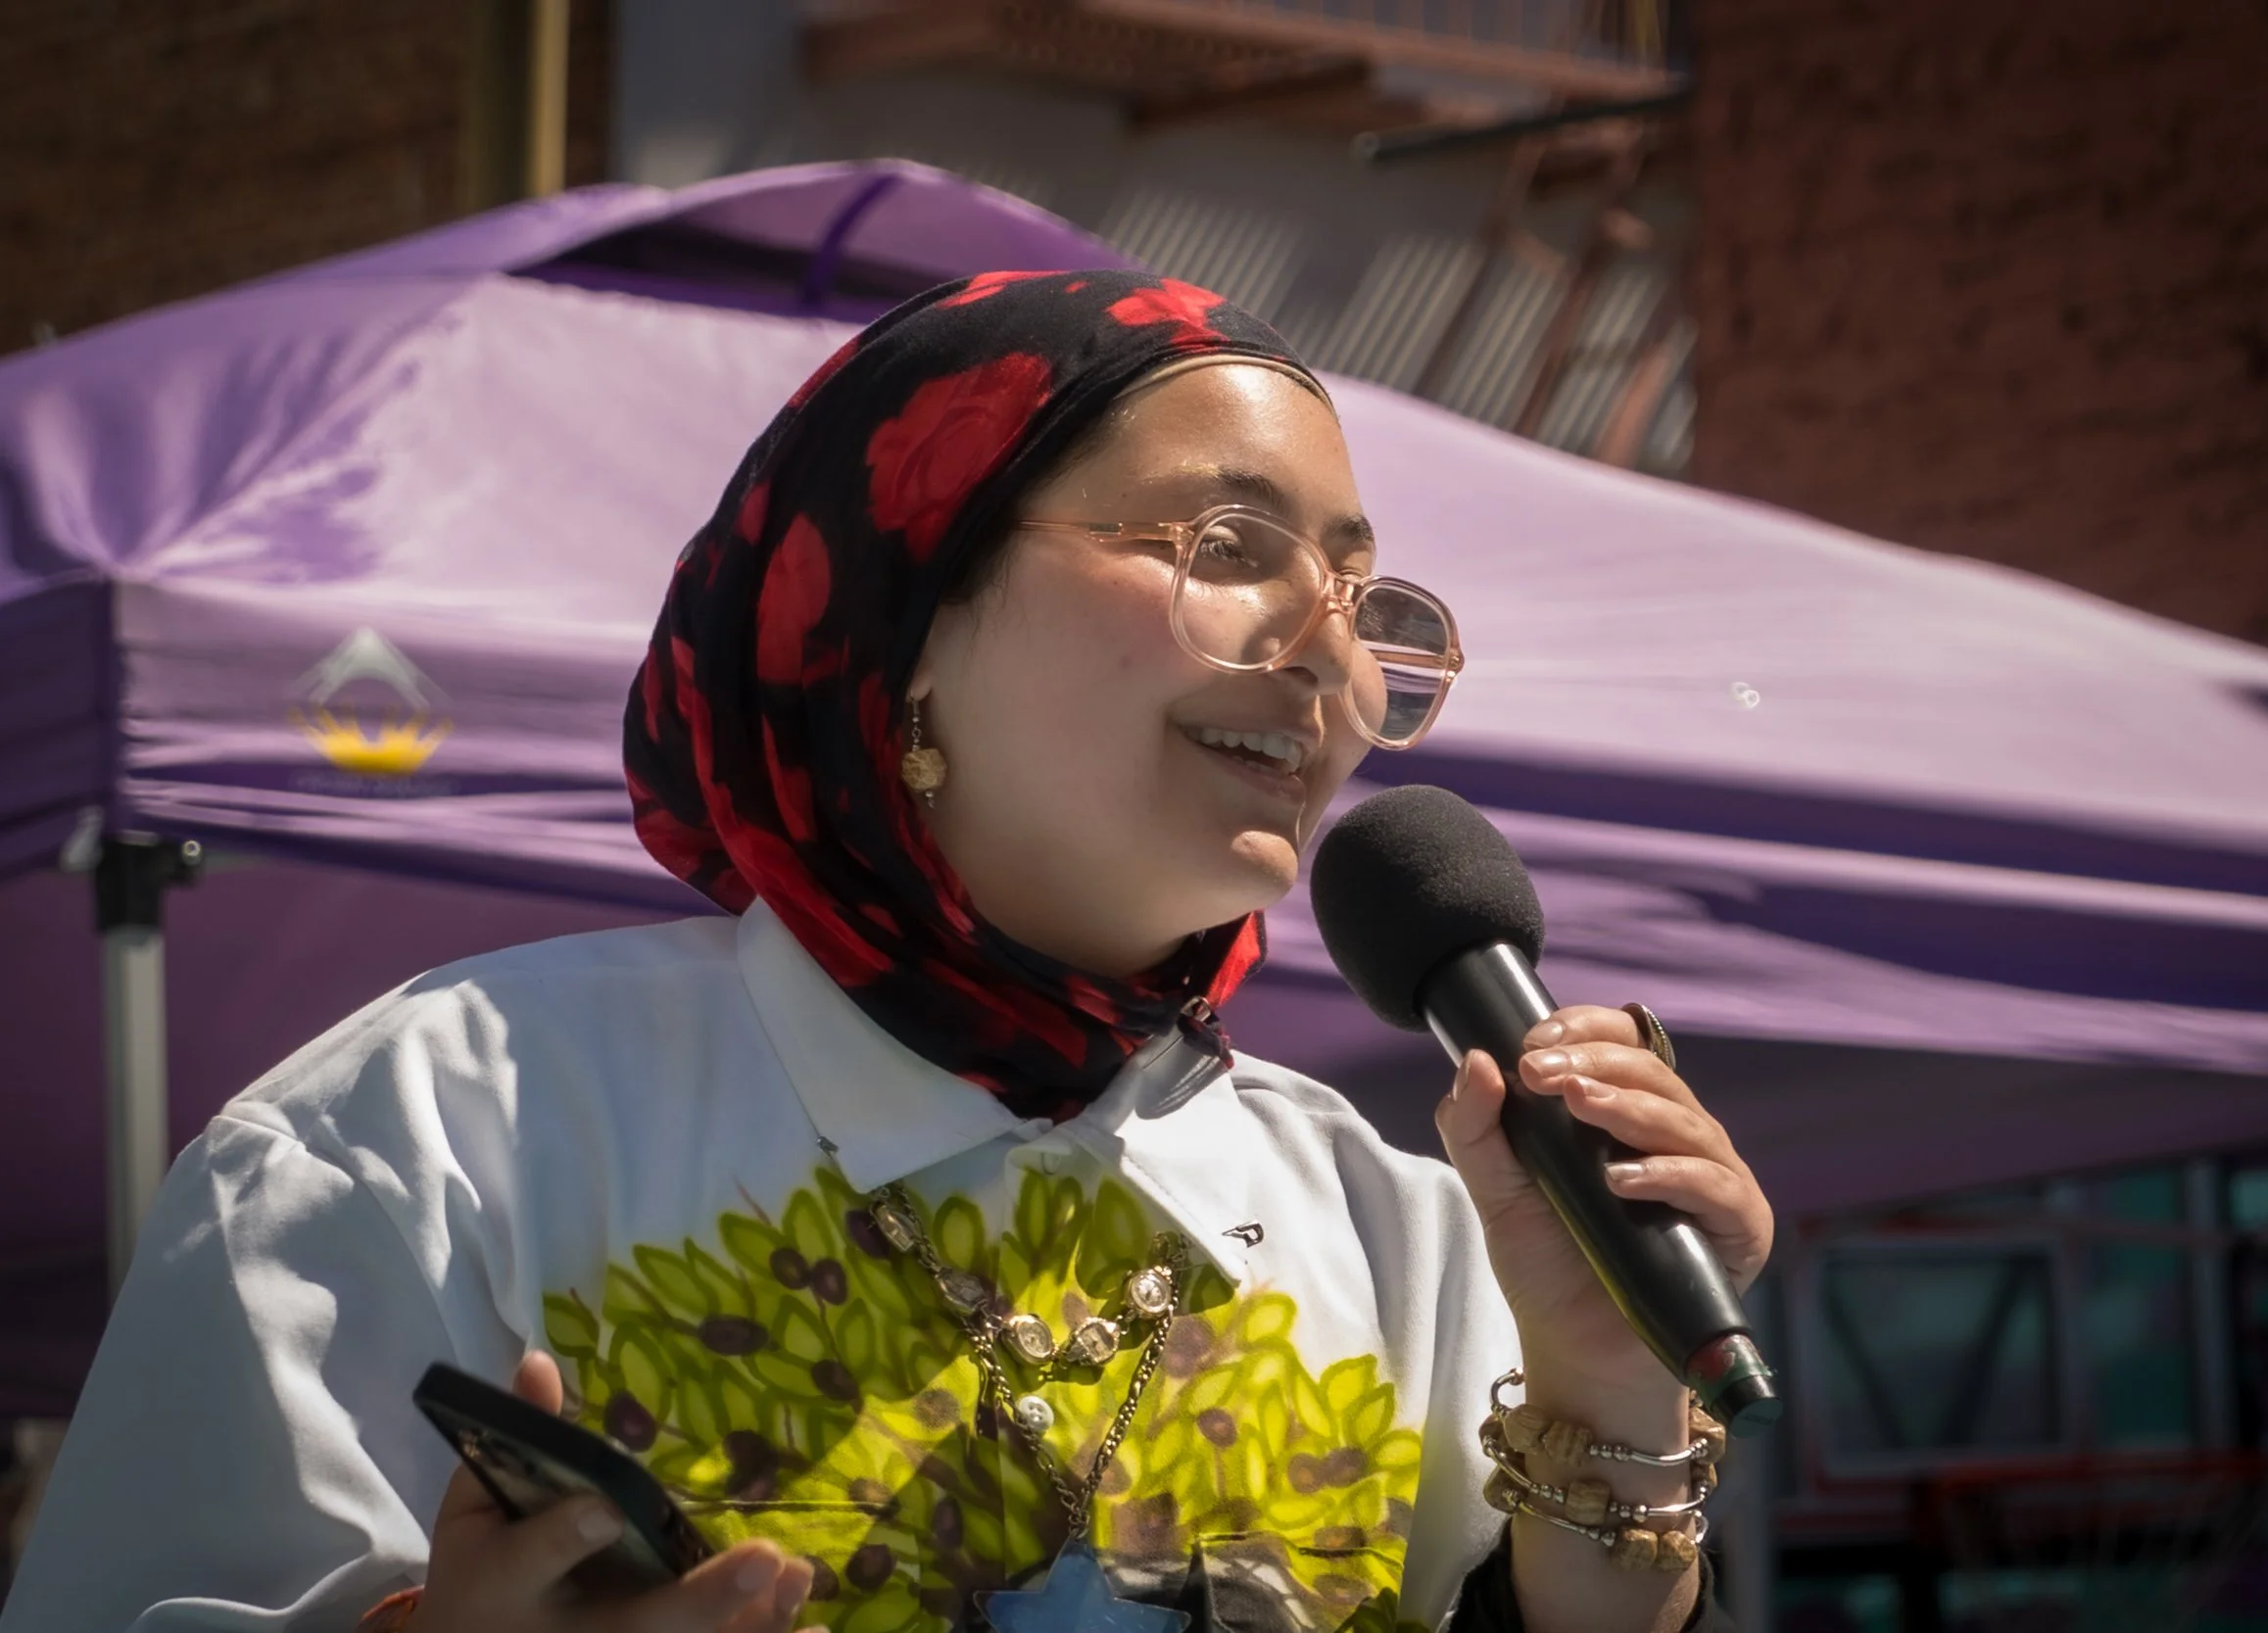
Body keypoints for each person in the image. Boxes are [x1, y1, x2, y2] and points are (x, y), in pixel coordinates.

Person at [4, 270, 1770, 1632]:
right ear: (904, 625)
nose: (1331, 654)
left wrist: (1613, 1395)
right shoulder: (425, 1139)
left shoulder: (1410, 1231)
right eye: (1229, 547)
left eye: (1364, 591)